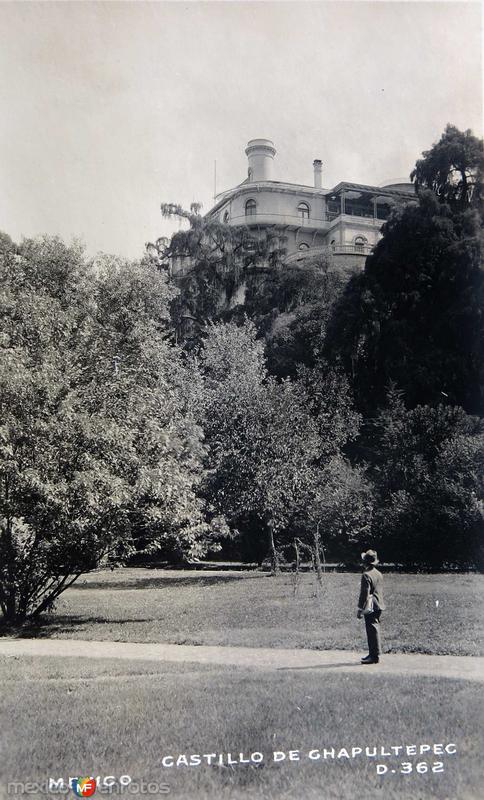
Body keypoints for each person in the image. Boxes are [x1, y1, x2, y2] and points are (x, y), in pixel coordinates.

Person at [357, 549, 385, 664]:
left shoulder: (366, 575)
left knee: (371, 630)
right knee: (374, 629)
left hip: (371, 605)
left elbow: (365, 593)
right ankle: (373, 654)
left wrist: (360, 609)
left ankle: (374, 656)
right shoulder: (378, 573)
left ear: (365, 563)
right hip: (379, 604)